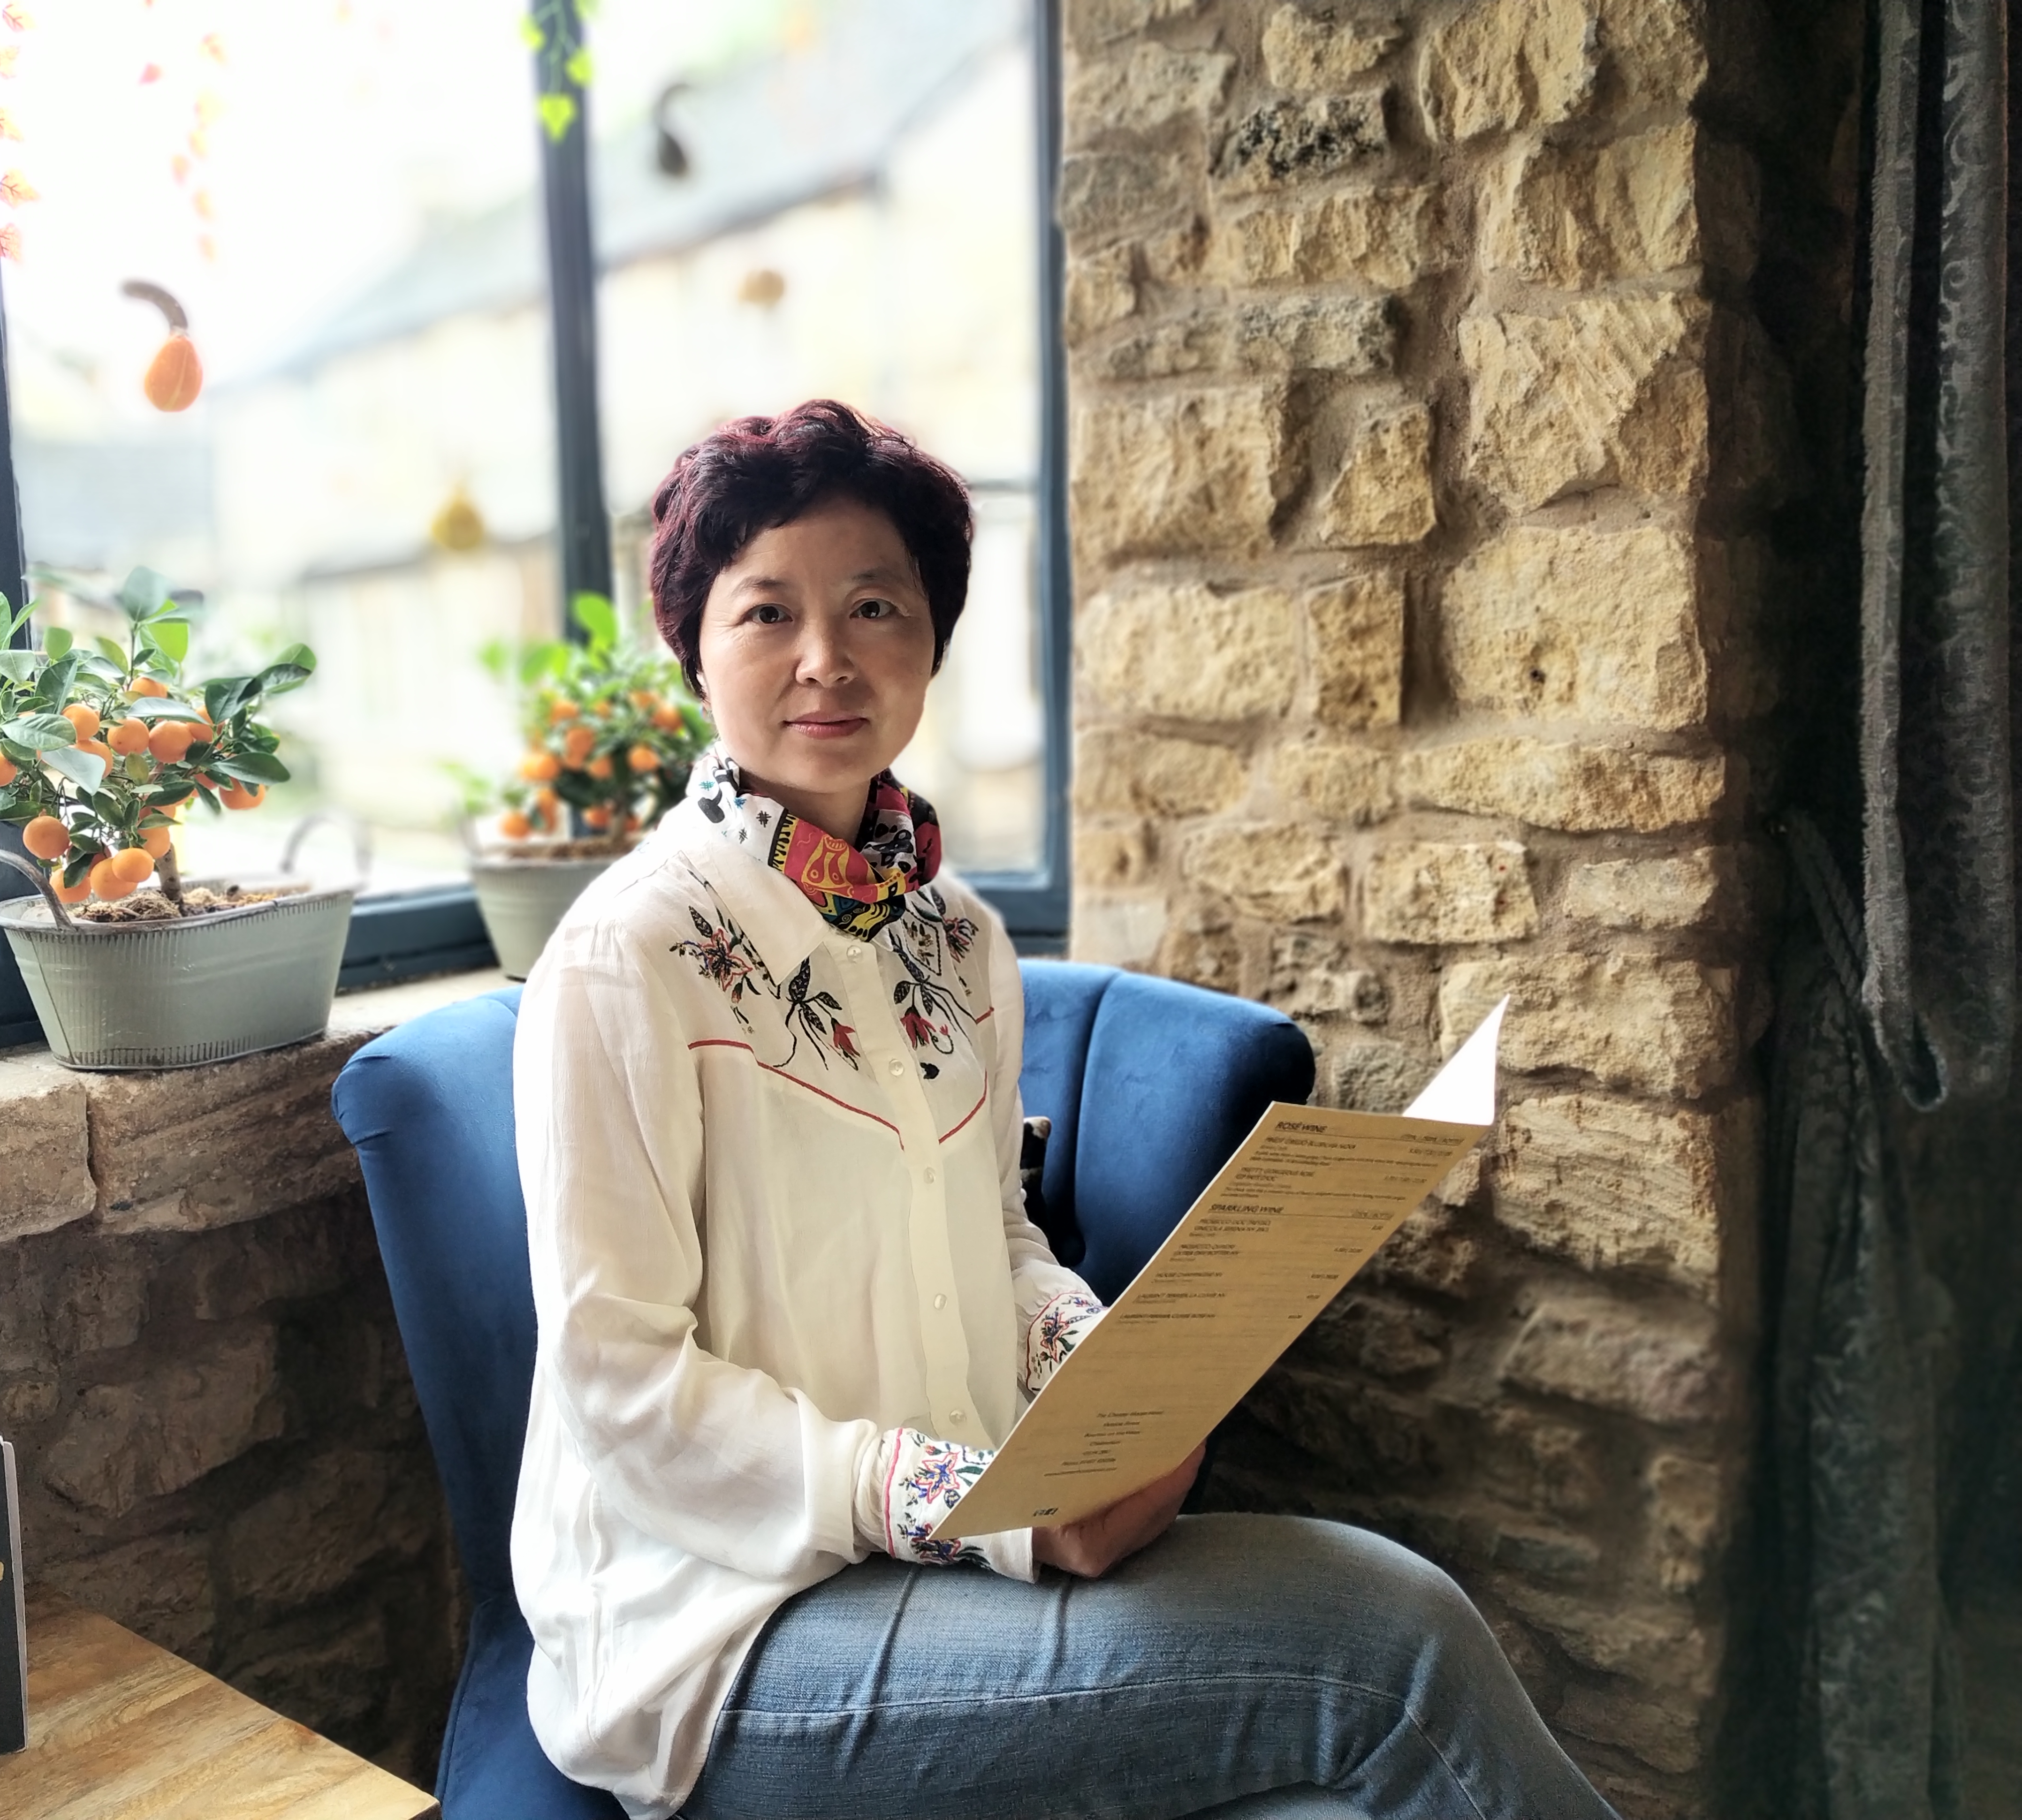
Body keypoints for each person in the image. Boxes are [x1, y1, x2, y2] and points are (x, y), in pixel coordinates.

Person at [510, 400, 1619, 1820]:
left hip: (955, 1563)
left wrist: (1110, 1380)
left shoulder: (958, 940)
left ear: (932, 637)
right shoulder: (629, 957)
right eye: (767, 612)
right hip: (721, 1639)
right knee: (1394, 1644)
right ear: (693, 647)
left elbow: (998, 1237)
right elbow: (619, 1384)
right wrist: (973, 1509)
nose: (826, 658)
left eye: (874, 607)